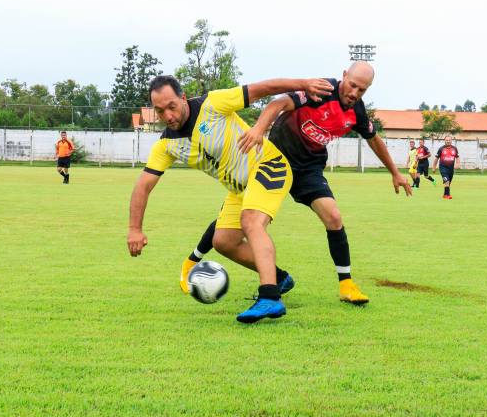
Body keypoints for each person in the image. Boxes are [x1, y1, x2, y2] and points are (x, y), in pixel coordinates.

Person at [180, 61, 412, 306]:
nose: (354, 93)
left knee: (333, 217)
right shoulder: (320, 90)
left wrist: (395, 172)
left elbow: (373, 138)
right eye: (352, 85)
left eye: (362, 90)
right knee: (239, 218)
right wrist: (259, 128)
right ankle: (192, 261)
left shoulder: (358, 111)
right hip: (273, 161)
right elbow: (278, 103)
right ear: (344, 75)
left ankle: (346, 286)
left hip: (308, 169)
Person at [129, 74, 334, 323]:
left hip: (269, 165)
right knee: (223, 241)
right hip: (240, 189)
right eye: (160, 111)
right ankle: (280, 279)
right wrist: (134, 229)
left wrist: (304, 84)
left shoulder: (213, 104)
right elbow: (143, 186)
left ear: (183, 98)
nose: (168, 115)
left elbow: (263, 88)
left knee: (251, 223)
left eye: (172, 106)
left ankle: (270, 297)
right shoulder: (166, 146)